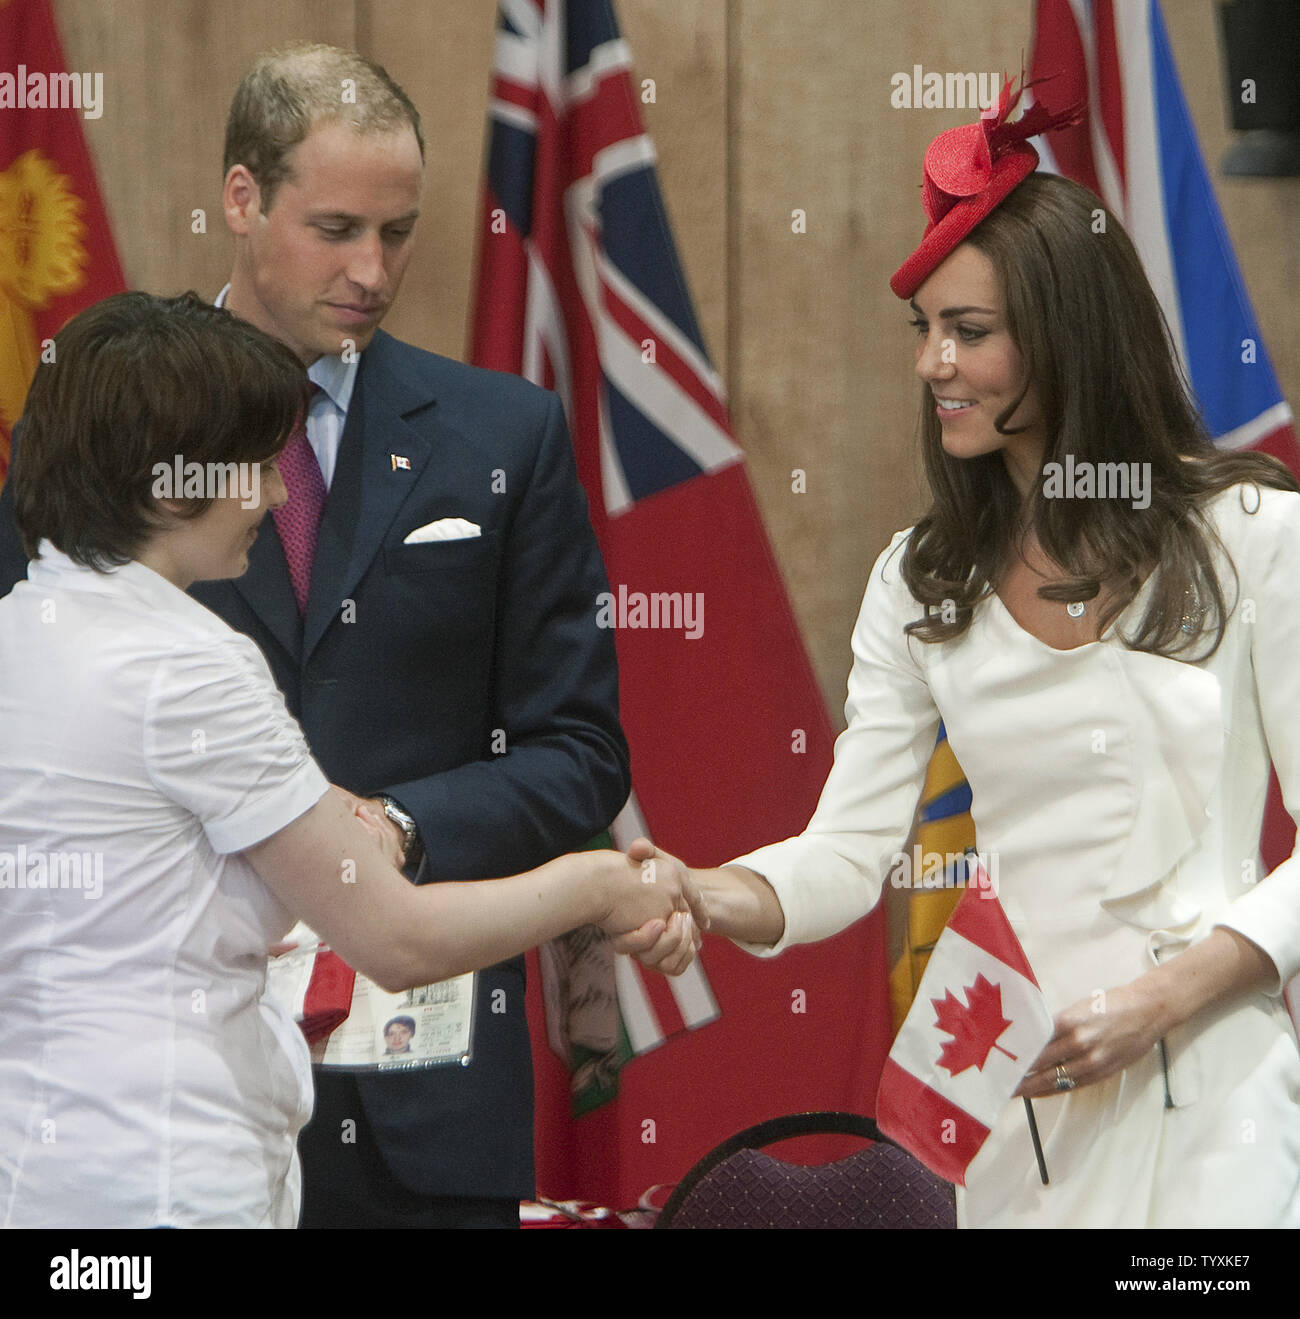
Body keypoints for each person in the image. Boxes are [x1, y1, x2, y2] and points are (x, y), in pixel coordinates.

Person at [0, 42, 697, 1229]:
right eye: (333, 227)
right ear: (241, 197)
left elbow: (578, 745)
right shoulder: (114, 448)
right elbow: (398, 928)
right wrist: (597, 882)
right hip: (178, 1139)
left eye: (398, 232)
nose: (371, 271)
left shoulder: (502, 435)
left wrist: (406, 821)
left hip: (394, 1108)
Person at [624, 86, 1300, 1228]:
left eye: (969, 331)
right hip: (1022, 1106)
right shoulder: (918, 577)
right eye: (924, 330)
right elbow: (844, 854)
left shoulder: (1250, 534)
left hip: (1220, 1104)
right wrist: (708, 889)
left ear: (1067, 334)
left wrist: (1163, 995)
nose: (934, 361)